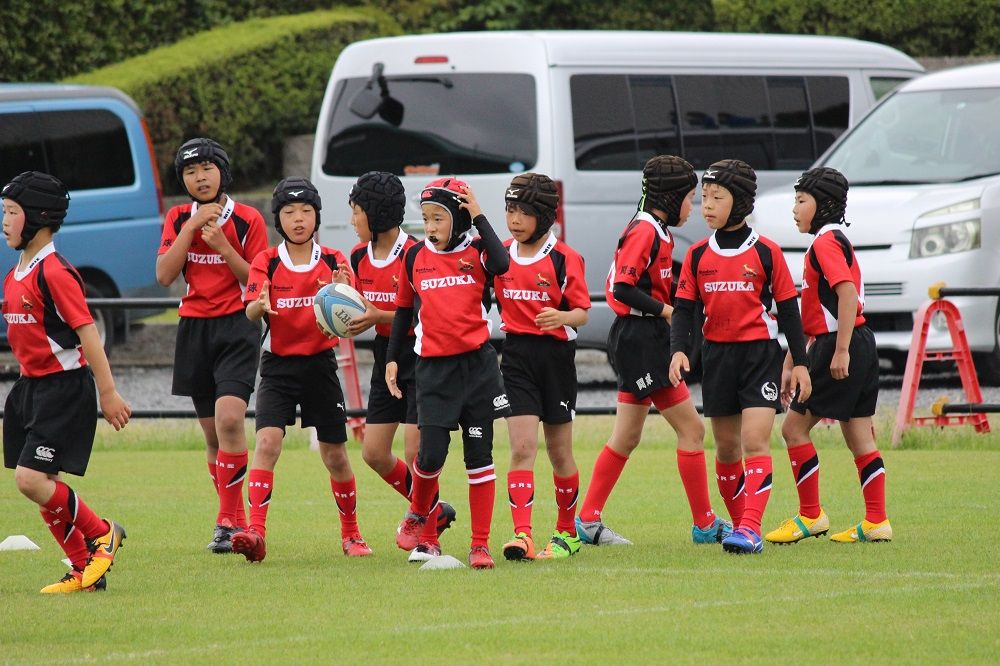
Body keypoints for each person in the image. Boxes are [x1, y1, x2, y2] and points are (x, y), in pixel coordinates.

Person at [574, 156, 734, 548]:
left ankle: (588, 519)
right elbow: (622, 288)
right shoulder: (645, 230)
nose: (693, 207)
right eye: (691, 198)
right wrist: (668, 311)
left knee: (626, 435)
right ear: (671, 196)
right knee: (692, 430)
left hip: (641, 337)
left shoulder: (655, 228)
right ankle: (704, 524)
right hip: (641, 339)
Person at [669, 158, 811, 555]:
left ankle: (750, 527)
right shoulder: (697, 255)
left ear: (742, 202)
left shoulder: (767, 252)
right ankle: (738, 525)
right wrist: (678, 350)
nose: (707, 206)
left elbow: (789, 311)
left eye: (718, 197)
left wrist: (801, 363)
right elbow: (683, 310)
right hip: (717, 358)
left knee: (754, 441)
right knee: (727, 449)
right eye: (705, 197)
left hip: (759, 357)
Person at [2, 171, 132, 593]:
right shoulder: (15, 273)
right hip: (30, 389)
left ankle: (102, 534)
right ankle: (84, 572)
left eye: (12, 212)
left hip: (63, 389)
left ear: (39, 217)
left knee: (30, 479)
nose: (5, 221)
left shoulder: (55, 272)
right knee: (42, 484)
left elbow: (88, 333)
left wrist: (108, 392)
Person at [231, 177, 370, 562]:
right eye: (289, 212)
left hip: (320, 367)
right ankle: (256, 533)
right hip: (277, 368)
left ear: (316, 216)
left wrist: (345, 291)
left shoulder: (334, 260)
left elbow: (353, 310)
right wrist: (259, 306)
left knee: (335, 455)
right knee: (267, 444)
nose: (298, 219)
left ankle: (352, 534)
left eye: (306, 211)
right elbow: (250, 310)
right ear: (278, 219)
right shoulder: (266, 261)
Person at [387, 177, 511, 569]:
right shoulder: (413, 256)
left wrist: (479, 215)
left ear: (458, 219)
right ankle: (419, 518)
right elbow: (403, 311)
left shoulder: (478, 251)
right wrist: (392, 359)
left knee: (479, 456)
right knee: (430, 454)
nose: (430, 226)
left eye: (438, 218)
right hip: (433, 370)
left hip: (477, 369)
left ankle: (480, 545)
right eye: (425, 218)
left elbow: (503, 263)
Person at [764, 167, 890, 545]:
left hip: (841, 344)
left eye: (801, 201)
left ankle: (810, 515)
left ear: (824, 205)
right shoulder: (832, 240)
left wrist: (840, 350)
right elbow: (817, 311)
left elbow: (847, 294)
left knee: (792, 429)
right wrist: (792, 360)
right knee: (859, 435)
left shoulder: (824, 243)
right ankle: (876, 521)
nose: (794, 209)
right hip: (858, 342)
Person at [156, 138, 268, 554]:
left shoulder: (248, 219)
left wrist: (223, 245)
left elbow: (257, 281)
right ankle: (233, 520)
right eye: (190, 171)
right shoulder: (176, 217)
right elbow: (165, 275)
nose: (199, 177)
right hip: (194, 328)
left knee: (230, 420)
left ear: (222, 172)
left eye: (207, 168)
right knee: (212, 435)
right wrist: (190, 228)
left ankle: (224, 522)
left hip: (238, 326)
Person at [345, 171, 455, 563]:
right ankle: (433, 509)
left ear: (375, 214)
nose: (352, 220)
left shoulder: (415, 253)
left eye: (356, 212)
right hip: (385, 356)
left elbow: (426, 311)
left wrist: (379, 314)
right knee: (374, 452)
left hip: (420, 355)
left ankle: (429, 537)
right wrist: (341, 308)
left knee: (415, 450)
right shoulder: (357, 257)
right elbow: (362, 310)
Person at [493, 173, 590, 561]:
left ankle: (568, 532)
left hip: (556, 360)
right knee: (521, 448)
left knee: (559, 452)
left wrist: (561, 317)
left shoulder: (564, 257)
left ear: (545, 215)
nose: (514, 220)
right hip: (516, 357)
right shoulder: (499, 254)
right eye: (510, 210)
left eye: (524, 212)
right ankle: (523, 535)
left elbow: (582, 313)